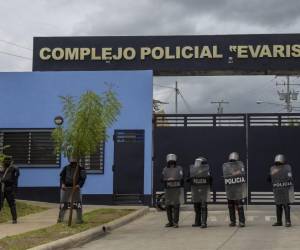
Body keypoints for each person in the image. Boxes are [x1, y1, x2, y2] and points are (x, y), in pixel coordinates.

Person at [57, 157, 86, 224]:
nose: (73, 163)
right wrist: (63, 184)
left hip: (76, 188)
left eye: (74, 162)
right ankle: (60, 219)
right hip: (66, 188)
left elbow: (83, 179)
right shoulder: (66, 168)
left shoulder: (81, 169)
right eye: (72, 162)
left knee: (78, 204)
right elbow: (62, 177)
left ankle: (79, 219)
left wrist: (79, 185)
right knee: (63, 204)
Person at [268, 154, 294, 227]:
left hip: (285, 190)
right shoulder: (273, 169)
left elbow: (290, 178)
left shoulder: (287, 168)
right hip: (278, 190)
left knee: (286, 205)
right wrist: (271, 175)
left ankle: (288, 221)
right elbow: (269, 179)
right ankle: (279, 221)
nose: (278, 164)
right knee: (278, 205)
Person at [222, 152, 247, 227]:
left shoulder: (240, 165)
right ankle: (232, 221)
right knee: (230, 206)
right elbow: (225, 174)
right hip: (230, 189)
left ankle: (242, 221)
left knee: (239, 205)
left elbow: (242, 172)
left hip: (238, 189)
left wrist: (234, 174)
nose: (232, 161)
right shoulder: (226, 166)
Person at [187, 157, 212, 228]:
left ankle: (204, 223)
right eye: (196, 162)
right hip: (195, 190)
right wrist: (190, 178)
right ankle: (197, 222)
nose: (197, 164)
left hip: (204, 190)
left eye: (199, 162)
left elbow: (210, 179)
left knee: (203, 206)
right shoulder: (193, 171)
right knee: (196, 207)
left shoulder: (207, 171)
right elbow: (188, 178)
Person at [161, 154, 184, 228]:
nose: (171, 162)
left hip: (176, 189)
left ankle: (175, 222)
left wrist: (174, 179)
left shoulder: (179, 168)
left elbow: (181, 178)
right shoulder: (165, 169)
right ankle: (170, 222)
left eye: (172, 161)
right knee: (168, 206)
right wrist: (167, 180)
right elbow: (162, 179)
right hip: (168, 189)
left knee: (176, 205)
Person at [0, 156, 20, 224]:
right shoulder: (2, 169)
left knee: (12, 205)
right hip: (2, 189)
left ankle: (14, 219)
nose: (6, 162)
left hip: (9, 189)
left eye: (8, 161)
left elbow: (8, 179)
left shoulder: (13, 169)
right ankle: (14, 219)